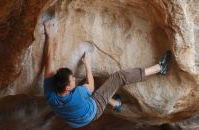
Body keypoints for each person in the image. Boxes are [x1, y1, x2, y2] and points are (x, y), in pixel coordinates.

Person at [43, 19, 171, 129]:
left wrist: (49, 36)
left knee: (97, 89)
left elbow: (48, 60)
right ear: (67, 88)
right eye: (72, 80)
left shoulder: (50, 93)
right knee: (119, 77)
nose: (75, 79)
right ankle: (160, 68)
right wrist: (87, 63)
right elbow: (91, 86)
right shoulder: (77, 95)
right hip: (94, 110)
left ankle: (116, 104)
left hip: (76, 121)